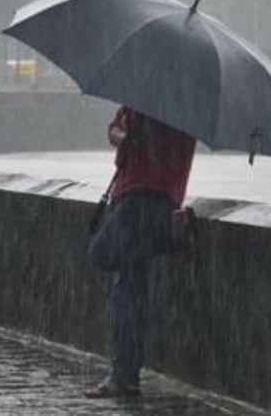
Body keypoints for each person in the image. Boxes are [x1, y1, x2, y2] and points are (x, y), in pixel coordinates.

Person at [83, 105, 197, 399]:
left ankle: (123, 377)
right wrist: (123, 135)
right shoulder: (185, 105)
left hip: (138, 200)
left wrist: (130, 136)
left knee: (111, 270)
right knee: (133, 290)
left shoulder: (149, 102)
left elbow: (121, 134)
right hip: (161, 200)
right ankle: (126, 376)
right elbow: (115, 131)